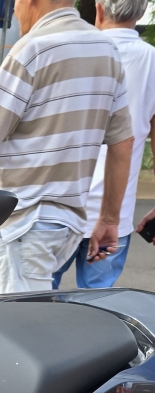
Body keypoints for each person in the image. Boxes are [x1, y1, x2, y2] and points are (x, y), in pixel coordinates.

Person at [0, 0, 132, 297]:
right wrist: (110, 219)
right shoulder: (106, 49)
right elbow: (123, 142)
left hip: (25, 221)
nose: (15, 10)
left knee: (22, 329)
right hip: (66, 222)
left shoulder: (32, 48)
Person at [54, 0, 155, 289]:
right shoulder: (152, 61)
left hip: (58, 207)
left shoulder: (68, 52)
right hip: (114, 214)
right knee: (97, 311)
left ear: (98, 9)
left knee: (32, 303)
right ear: (142, 10)